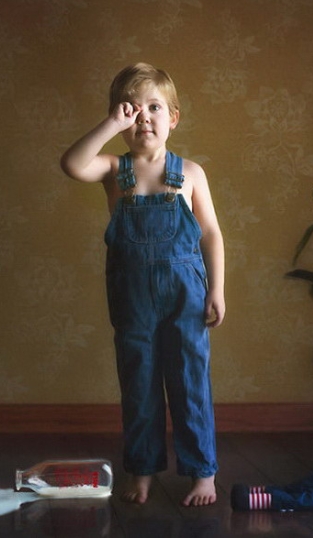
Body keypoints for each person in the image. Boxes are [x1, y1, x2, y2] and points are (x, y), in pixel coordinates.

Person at [60, 63, 225, 506]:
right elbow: (71, 164)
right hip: (133, 299)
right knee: (140, 384)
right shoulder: (115, 170)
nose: (144, 118)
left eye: (155, 108)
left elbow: (210, 233)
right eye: (133, 111)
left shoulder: (190, 173)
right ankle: (143, 469)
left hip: (185, 296)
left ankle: (202, 474)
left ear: (173, 117)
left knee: (190, 382)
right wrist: (112, 123)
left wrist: (217, 289)